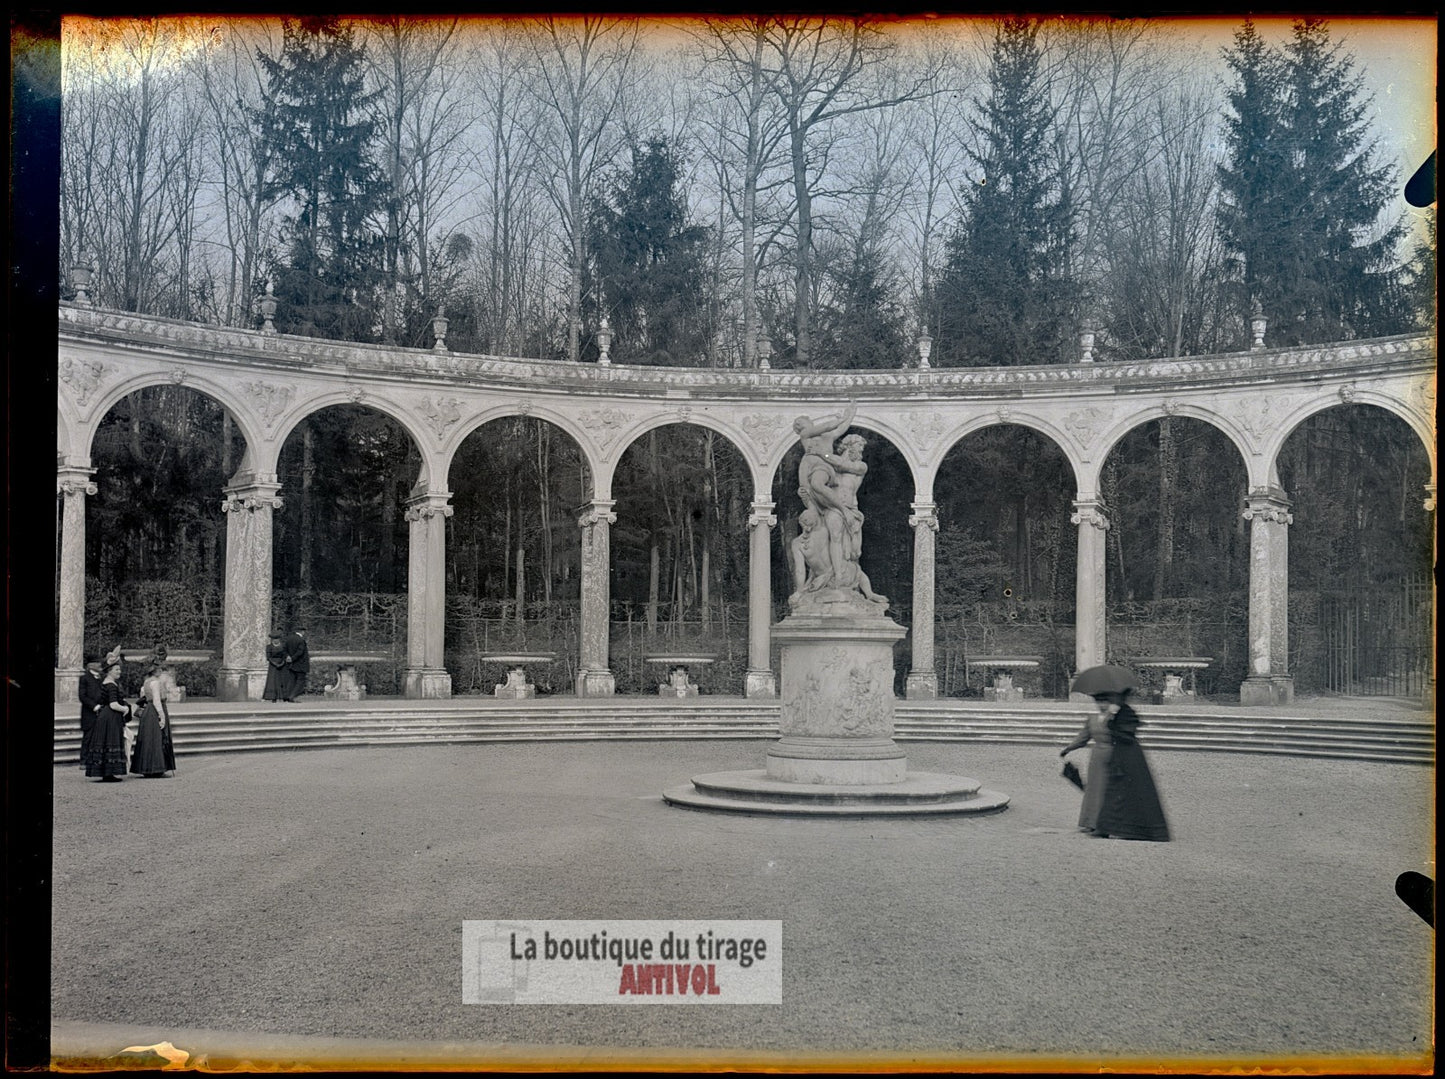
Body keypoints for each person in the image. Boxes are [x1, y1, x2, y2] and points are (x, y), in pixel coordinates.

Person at [1060, 690, 1170, 841]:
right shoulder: (1092, 719)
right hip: (1097, 756)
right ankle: (1089, 821)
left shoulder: (1115, 717)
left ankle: (1103, 825)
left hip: (1113, 754)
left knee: (1107, 790)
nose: (1102, 705)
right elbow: (1083, 737)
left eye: (1104, 701)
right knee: (1093, 789)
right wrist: (1068, 748)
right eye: (1099, 702)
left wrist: (1113, 721)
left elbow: (1125, 733)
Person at [85, 662, 131, 781]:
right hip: (111, 716)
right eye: (116, 670)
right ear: (109, 671)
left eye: (119, 670)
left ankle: (106, 772)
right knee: (111, 741)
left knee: (105, 742)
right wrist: (125, 708)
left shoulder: (104, 682)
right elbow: (113, 704)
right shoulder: (111, 685)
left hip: (104, 715)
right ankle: (109, 773)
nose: (119, 672)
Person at [130, 661, 176, 777]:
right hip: (154, 710)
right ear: (156, 671)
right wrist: (162, 716)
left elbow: (143, 697)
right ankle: (156, 768)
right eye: (160, 669)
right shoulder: (155, 682)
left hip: (147, 711)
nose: (161, 671)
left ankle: (146, 767)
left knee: (148, 739)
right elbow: (156, 700)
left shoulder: (146, 682)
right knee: (156, 738)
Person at [78, 655, 106, 767]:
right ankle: (84, 761)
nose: (100, 664)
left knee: (100, 736)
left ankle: (96, 759)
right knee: (88, 737)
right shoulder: (84, 678)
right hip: (89, 713)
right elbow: (82, 696)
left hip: (102, 711)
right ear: (90, 665)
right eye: (97, 662)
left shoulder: (102, 677)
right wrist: (94, 706)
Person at [282, 626, 310, 701]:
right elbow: (300, 652)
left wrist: (288, 657)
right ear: (302, 631)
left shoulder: (288, 639)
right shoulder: (301, 640)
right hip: (300, 664)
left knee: (291, 680)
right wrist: (292, 658)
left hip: (291, 664)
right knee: (300, 681)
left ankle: (286, 696)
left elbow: (284, 649)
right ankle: (292, 696)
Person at [262, 632, 286, 702]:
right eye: (274, 639)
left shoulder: (283, 646)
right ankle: (272, 697)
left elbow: (284, 655)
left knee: (281, 680)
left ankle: (282, 696)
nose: (276, 640)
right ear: (272, 640)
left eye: (277, 639)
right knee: (272, 681)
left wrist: (282, 663)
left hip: (282, 665)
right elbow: (268, 657)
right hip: (273, 666)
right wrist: (275, 664)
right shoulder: (269, 647)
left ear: (279, 639)